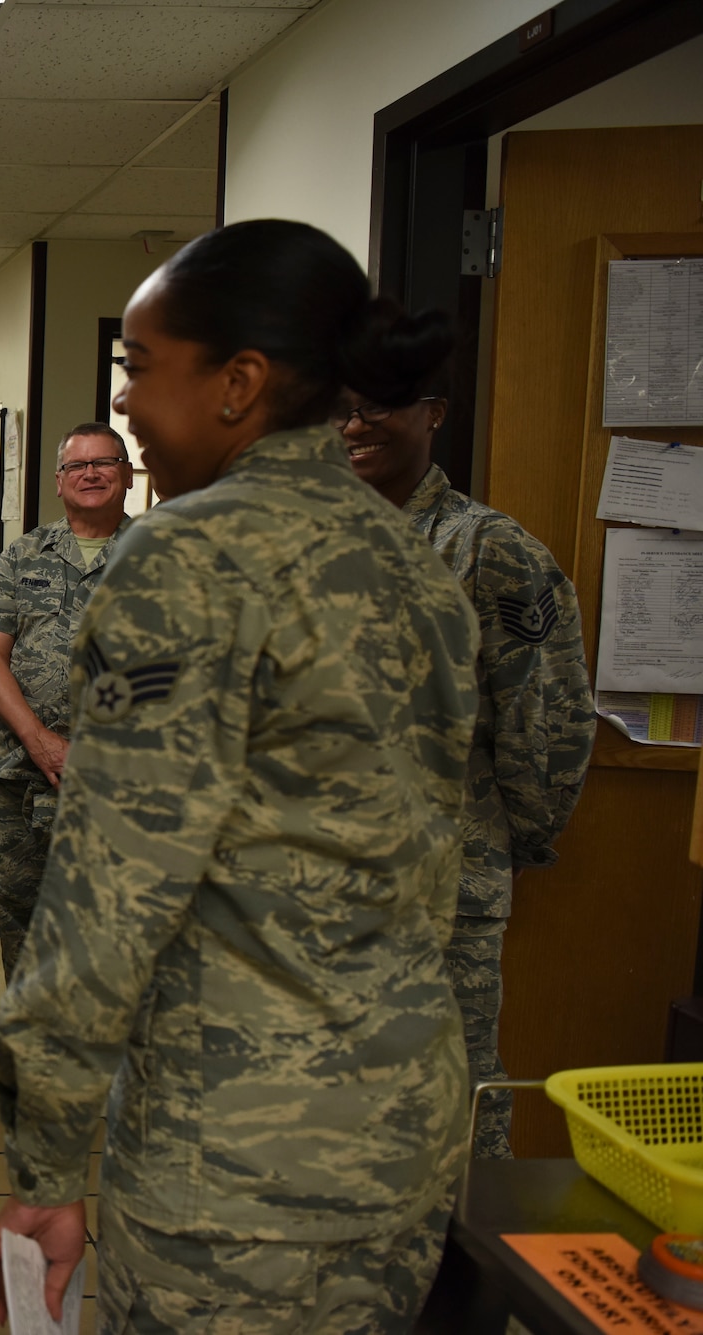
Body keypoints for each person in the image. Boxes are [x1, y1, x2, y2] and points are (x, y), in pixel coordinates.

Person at [0, 220, 480, 1333]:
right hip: (400, 1140)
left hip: (238, 1166)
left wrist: (47, 1162)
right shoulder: (416, 564)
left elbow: (109, 893)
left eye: (140, 370)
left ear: (238, 383)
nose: (122, 409)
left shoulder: (187, 558)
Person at [342, 379, 595, 1161]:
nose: (353, 424)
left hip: (439, 884)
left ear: (434, 412)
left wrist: (498, 841)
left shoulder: (487, 549)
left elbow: (545, 723)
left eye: (377, 402)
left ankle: (461, 1269)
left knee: (447, 1092)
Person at [0, 424, 133, 979]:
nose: (91, 474)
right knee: (20, 912)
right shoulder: (23, 554)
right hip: (21, 773)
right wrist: (38, 740)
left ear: (127, 475)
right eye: (77, 466)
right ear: (59, 482)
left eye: (104, 463)